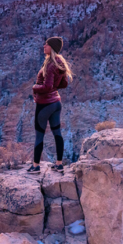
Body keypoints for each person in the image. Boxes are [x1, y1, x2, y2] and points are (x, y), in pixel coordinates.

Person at [27, 36, 73, 174]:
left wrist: (35, 87)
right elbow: (63, 84)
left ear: (51, 47)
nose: (44, 46)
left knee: (39, 135)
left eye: (46, 45)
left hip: (45, 105)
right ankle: (59, 164)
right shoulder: (59, 62)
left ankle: (35, 166)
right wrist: (53, 88)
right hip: (56, 104)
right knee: (57, 133)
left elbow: (47, 87)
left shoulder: (50, 64)